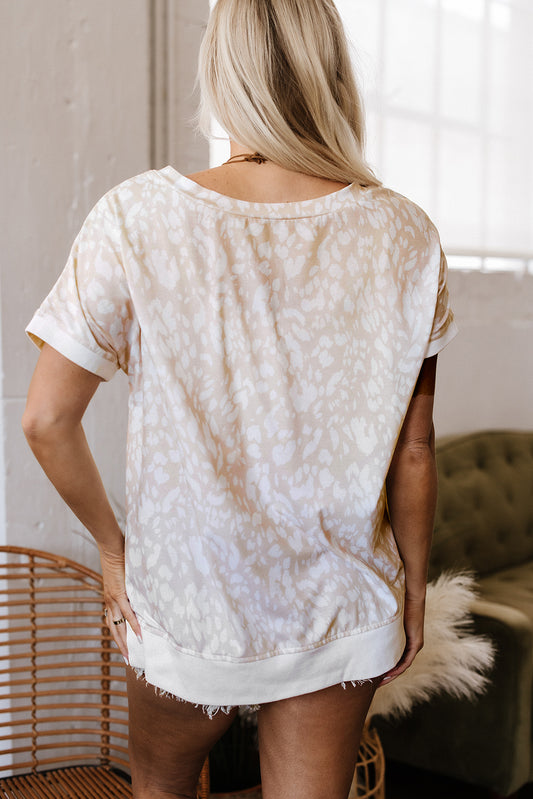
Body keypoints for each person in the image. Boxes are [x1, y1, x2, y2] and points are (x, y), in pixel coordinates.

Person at [22, 0, 458, 797]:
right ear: (332, 73)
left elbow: (47, 420)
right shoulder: (405, 233)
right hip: (339, 603)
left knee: (160, 788)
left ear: (220, 74)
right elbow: (414, 447)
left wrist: (115, 554)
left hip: (191, 601)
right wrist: (412, 587)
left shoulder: (137, 217)